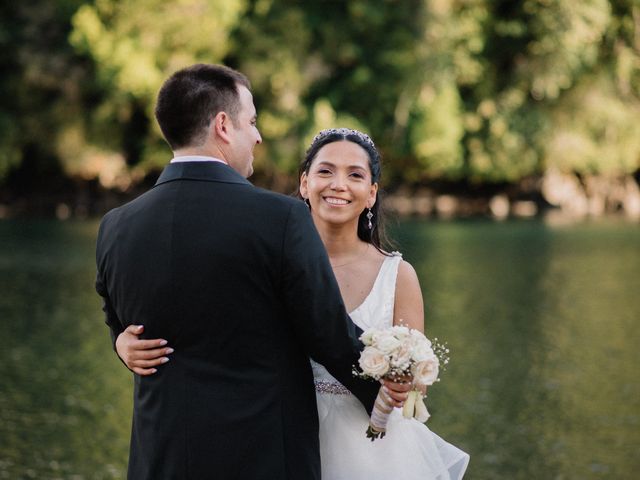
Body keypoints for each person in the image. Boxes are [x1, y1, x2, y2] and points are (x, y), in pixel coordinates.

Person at [95, 65, 408, 480]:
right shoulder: (280, 219)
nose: (257, 136)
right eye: (252, 122)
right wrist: (385, 393)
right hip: (259, 457)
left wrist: (119, 342)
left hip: (160, 457)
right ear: (224, 126)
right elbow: (326, 331)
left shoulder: (116, 225)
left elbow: (114, 313)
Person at [117, 126, 470, 479]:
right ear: (304, 184)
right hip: (276, 440)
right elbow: (208, 319)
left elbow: (414, 384)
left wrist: (404, 379)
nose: (338, 184)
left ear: (371, 194)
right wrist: (122, 339)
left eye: (355, 175)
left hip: (373, 448)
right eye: (325, 171)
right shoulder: (268, 261)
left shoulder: (398, 275)